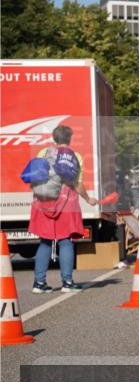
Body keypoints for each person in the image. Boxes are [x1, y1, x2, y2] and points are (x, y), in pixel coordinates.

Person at [28, 125, 97, 293]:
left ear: (54, 138)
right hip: (66, 203)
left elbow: (33, 178)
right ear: (70, 139)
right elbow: (77, 184)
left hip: (43, 202)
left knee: (45, 241)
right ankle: (67, 283)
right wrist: (88, 199)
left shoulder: (42, 153)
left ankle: (39, 283)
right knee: (65, 241)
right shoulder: (75, 156)